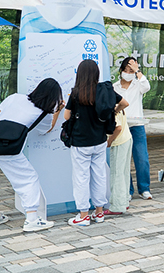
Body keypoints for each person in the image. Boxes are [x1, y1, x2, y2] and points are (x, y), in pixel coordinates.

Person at [0, 79, 63, 232]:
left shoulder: (16, 97)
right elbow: (47, 129)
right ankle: (31, 219)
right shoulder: (43, 112)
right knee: (27, 179)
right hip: (7, 147)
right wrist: (57, 111)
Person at [66, 60, 128, 227]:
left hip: (80, 142)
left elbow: (66, 117)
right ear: (96, 73)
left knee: (81, 178)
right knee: (99, 176)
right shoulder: (105, 90)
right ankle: (99, 213)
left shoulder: (76, 93)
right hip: (100, 140)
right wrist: (110, 113)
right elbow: (124, 103)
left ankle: (83, 215)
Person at [113, 57, 153, 200]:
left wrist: (137, 71)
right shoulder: (114, 87)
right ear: (121, 71)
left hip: (137, 126)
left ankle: (144, 189)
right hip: (121, 127)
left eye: (132, 70)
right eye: (127, 70)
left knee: (142, 158)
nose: (129, 73)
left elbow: (147, 87)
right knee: (123, 160)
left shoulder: (138, 84)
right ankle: (127, 190)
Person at [105, 105, 132, 215]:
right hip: (127, 139)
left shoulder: (109, 107)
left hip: (119, 142)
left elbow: (118, 127)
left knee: (117, 174)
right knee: (124, 172)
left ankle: (117, 206)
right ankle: (124, 201)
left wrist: (109, 141)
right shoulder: (117, 104)